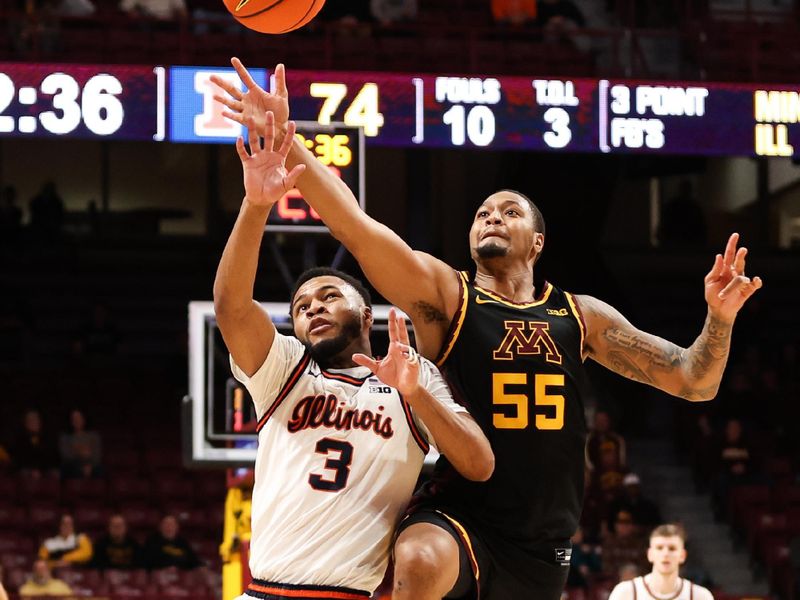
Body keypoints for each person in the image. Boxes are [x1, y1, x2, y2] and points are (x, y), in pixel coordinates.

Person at [213, 59, 761, 600]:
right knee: (419, 560)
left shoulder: (582, 316)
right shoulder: (446, 296)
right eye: (481, 214)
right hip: (459, 507)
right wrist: (286, 140)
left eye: (508, 212)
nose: (491, 217)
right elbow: (355, 227)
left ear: (538, 243)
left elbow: (695, 381)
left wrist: (720, 318)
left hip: (543, 534)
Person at [212, 112, 493, 600]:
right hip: (261, 593)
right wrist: (256, 205)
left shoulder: (414, 375)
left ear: (367, 315)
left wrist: (417, 394)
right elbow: (231, 308)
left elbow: (479, 463)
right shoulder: (284, 372)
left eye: (328, 297)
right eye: (301, 307)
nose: (313, 308)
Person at [608, 524, 713, 600]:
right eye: (659, 548)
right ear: (650, 554)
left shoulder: (700, 596)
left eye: (672, 548)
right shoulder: (626, 593)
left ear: (682, 555)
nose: (665, 553)